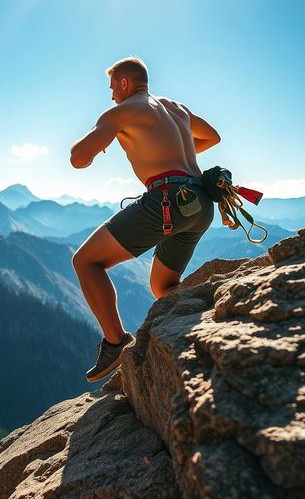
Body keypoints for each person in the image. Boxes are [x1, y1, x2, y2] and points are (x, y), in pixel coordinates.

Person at [69, 57, 220, 382]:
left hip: (167, 202)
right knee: (162, 286)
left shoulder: (120, 112)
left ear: (124, 83)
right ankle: (207, 311)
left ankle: (116, 342)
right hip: (202, 201)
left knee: (85, 262)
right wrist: (171, 154)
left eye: (112, 88)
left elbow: (78, 159)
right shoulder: (175, 107)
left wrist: (98, 140)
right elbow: (212, 137)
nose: (111, 96)